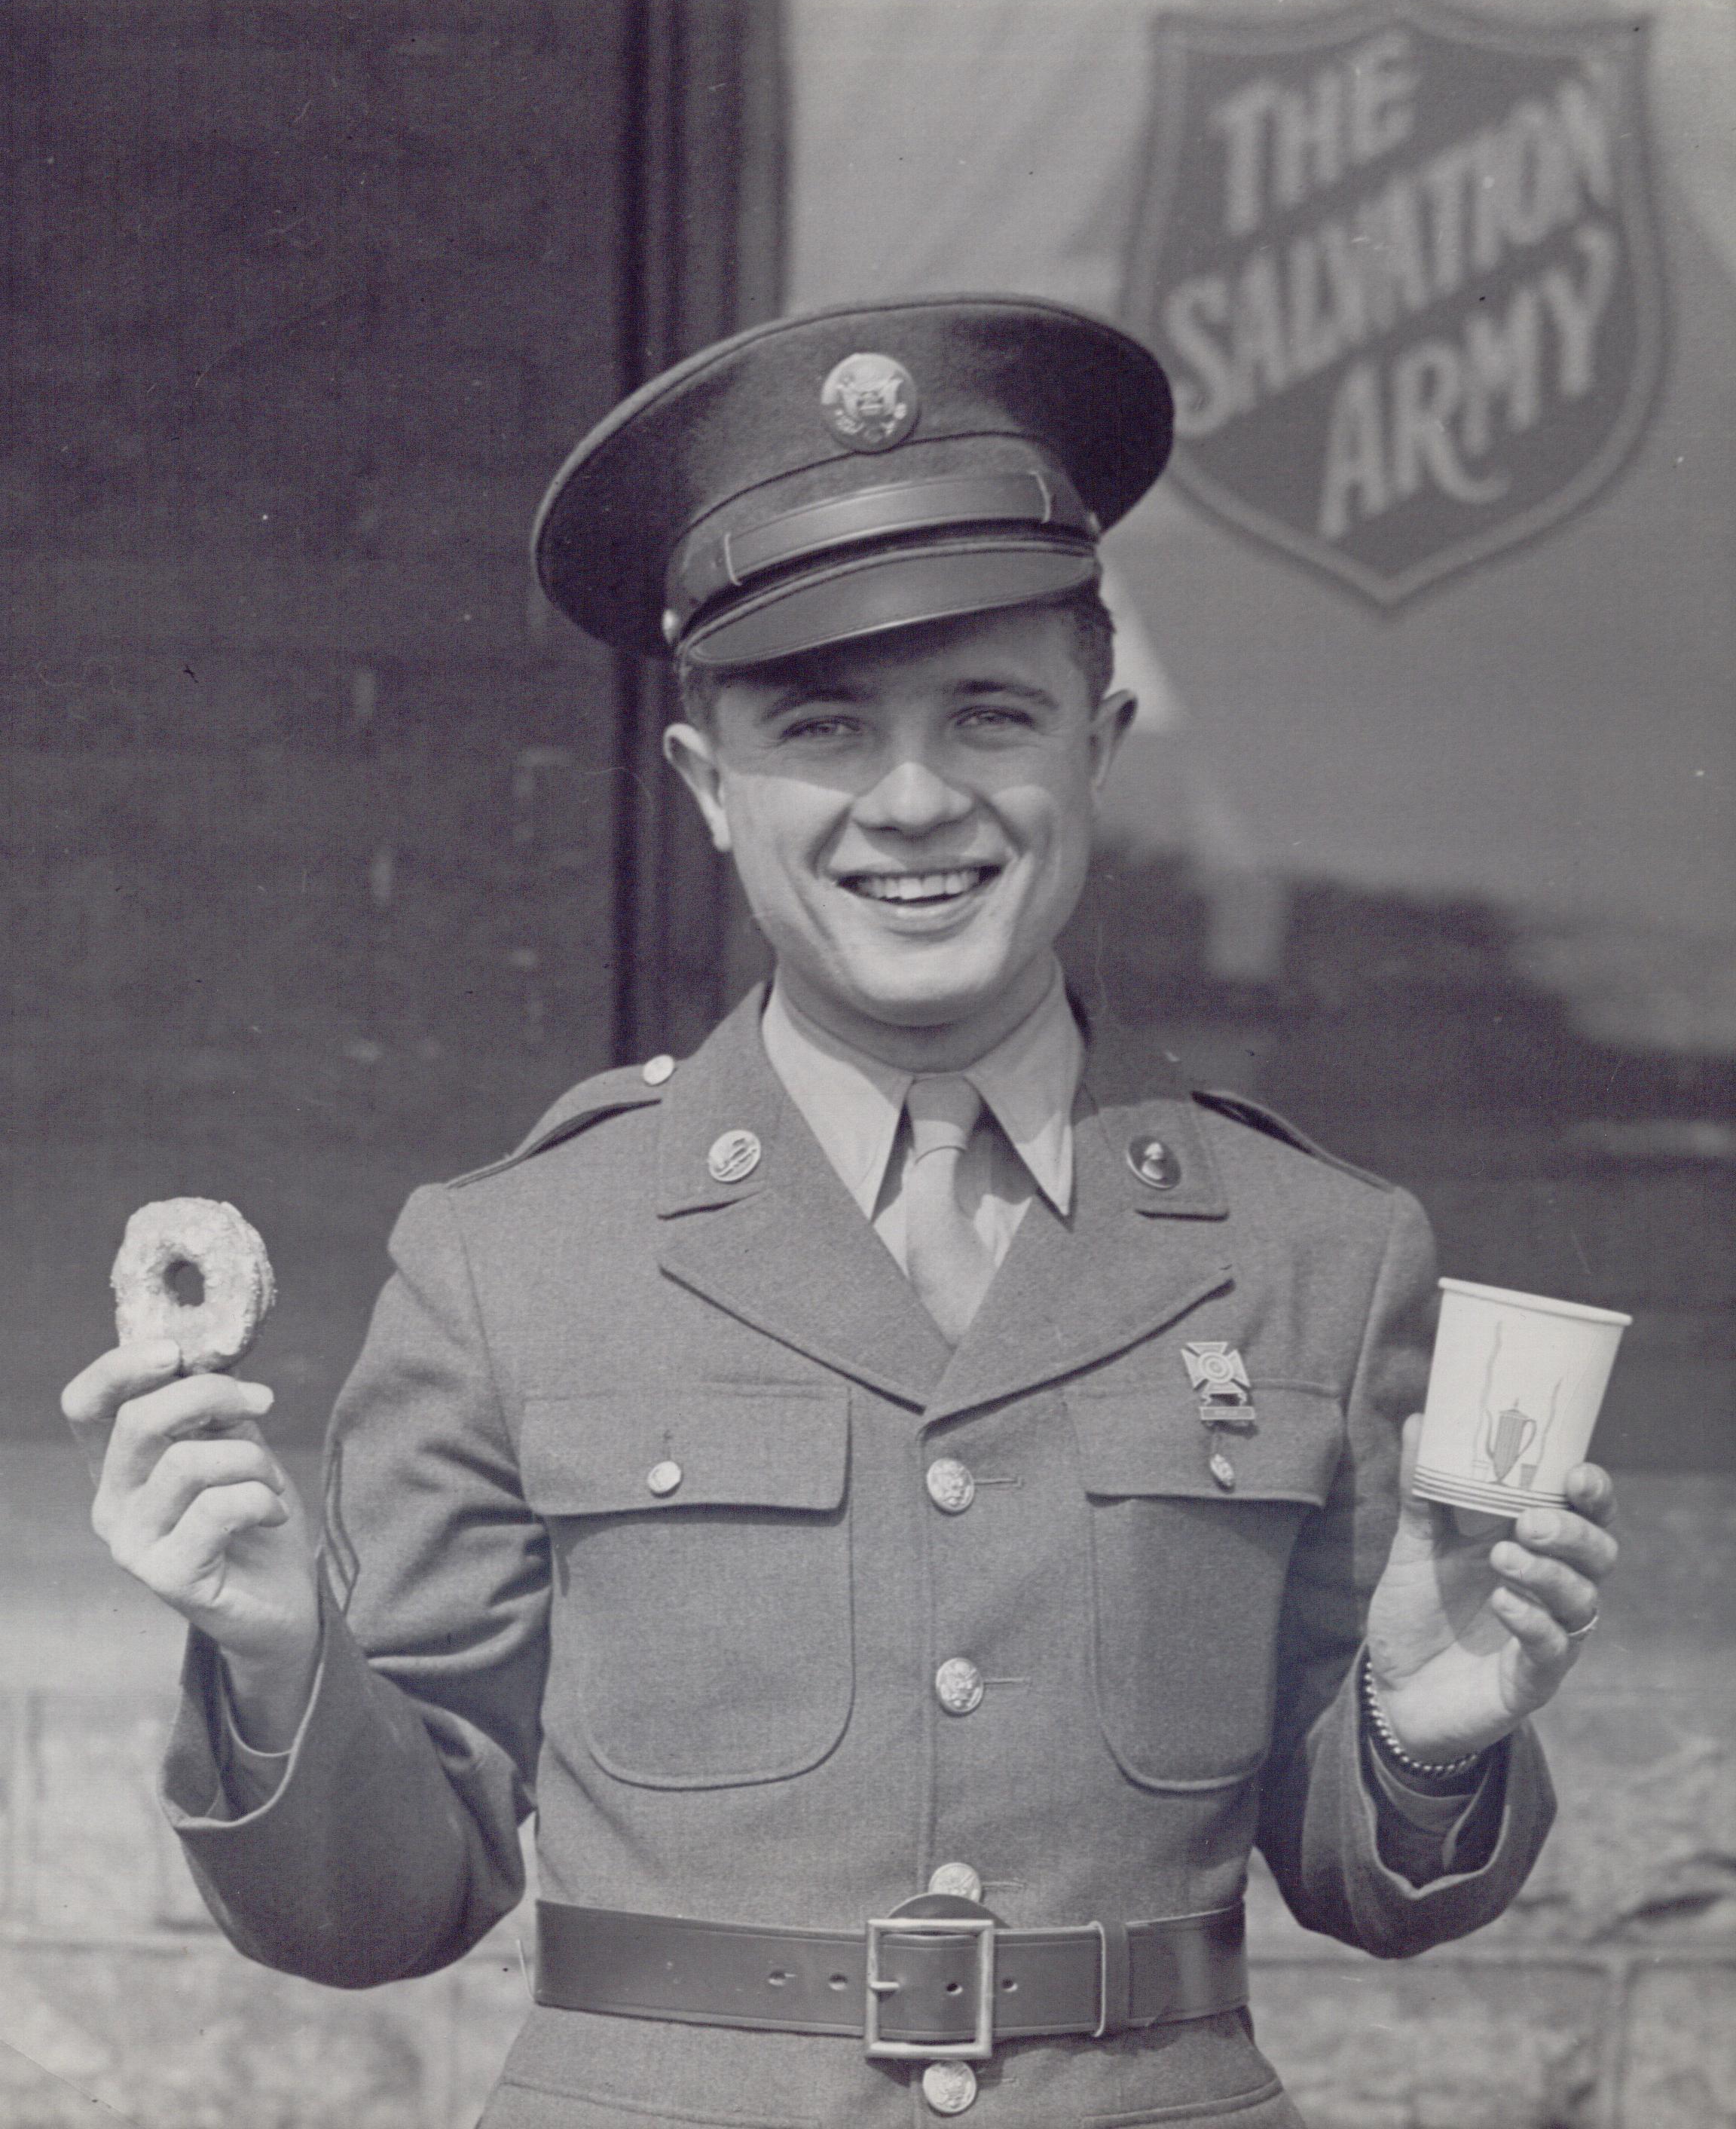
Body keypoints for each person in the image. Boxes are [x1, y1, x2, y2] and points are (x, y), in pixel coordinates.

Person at [63, 298, 1619, 2129]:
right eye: (822, 724)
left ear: (1097, 740)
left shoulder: (1317, 1259)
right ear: (708, 789)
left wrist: (1427, 1740)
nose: (912, 801)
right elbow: (384, 1899)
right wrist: (270, 1651)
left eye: (990, 714)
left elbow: (1366, 1877)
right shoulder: (511, 1261)